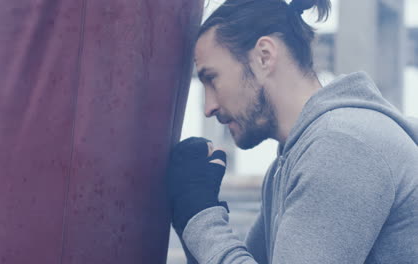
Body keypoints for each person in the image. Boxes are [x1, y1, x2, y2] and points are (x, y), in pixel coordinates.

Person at [166, 0, 418, 263]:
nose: (209, 107)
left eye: (212, 78)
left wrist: (200, 215)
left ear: (264, 56)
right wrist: (191, 213)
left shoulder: (342, 146)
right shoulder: (288, 166)